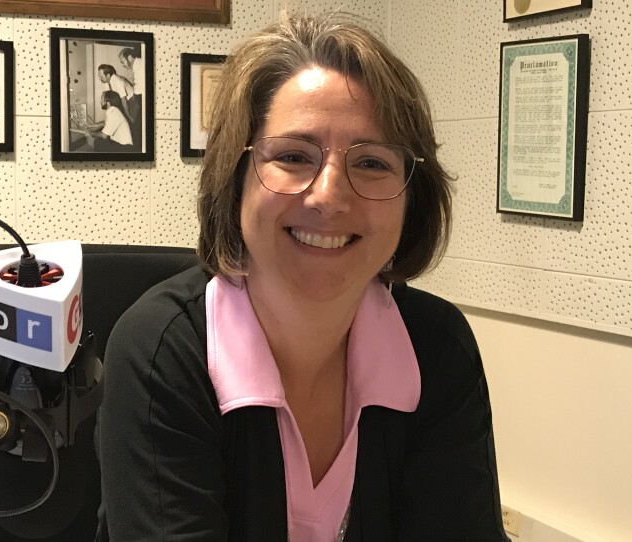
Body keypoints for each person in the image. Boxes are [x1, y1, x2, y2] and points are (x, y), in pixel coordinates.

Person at [96, 12, 509, 542]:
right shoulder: (162, 352)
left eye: (372, 163)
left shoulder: (437, 348)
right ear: (235, 177)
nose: (330, 196)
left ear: (412, 198)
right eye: (293, 156)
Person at [96, 64, 135, 136]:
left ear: (108, 75)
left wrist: (128, 116)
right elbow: (108, 98)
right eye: (99, 76)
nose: (99, 78)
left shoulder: (118, 81)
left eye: (101, 76)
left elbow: (124, 101)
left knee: (130, 121)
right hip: (123, 100)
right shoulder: (106, 82)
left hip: (131, 100)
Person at [118, 47, 144, 150]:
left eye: (122, 61)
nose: (122, 65)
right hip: (138, 97)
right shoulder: (137, 65)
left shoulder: (140, 65)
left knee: (137, 127)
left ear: (129, 57)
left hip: (141, 98)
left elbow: (140, 89)